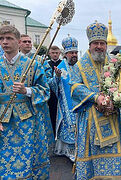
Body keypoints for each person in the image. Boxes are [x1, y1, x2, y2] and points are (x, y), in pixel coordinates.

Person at [70, 21, 121, 179]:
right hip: (89, 118)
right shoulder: (80, 66)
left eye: (102, 43)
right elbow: (74, 87)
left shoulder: (113, 64)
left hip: (111, 116)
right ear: (89, 44)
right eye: (96, 43)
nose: (99, 46)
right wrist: (95, 97)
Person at [0, 25, 50, 179]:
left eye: (9, 38)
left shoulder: (32, 64)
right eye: (1, 39)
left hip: (28, 121)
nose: (4, 42)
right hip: (3, 121)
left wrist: (26, 91)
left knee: (30, 160)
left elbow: (45, 91)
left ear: (18, 41)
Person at [19, 34, 54, 152]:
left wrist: (42, 73)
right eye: (25, 41)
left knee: (40, 128)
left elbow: (48, 77)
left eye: (29, 41)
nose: (28, 44)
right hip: (20, 101)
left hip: (37, 100)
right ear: (19, 43)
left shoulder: (39, 60)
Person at [52, 36, 78, 161]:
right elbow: (53, 85)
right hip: (66, 104)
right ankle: (70, 151)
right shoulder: (60, 67)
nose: (74, 55)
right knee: (69, 124)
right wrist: (57, 77)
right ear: (65, 54)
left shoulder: (80, 66)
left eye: (75, 52)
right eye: (71, 53)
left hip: (79, 101)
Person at [48, 45, 62, 136]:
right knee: (52, 115)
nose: (55, 55)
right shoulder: (47, 64)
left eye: (56, 53)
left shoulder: (63, 63)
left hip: (61, 93)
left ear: (59, 53)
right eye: (53, 53)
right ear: (49, 53)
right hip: (51, 95)